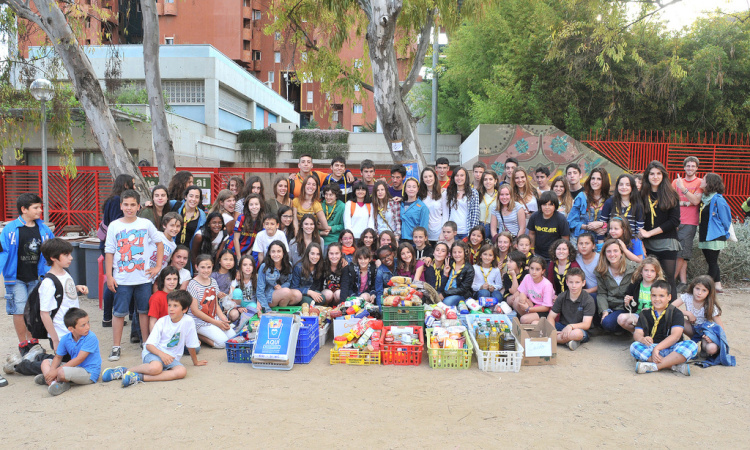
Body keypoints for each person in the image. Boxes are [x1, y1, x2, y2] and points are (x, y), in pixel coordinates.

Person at [104, 190, 164, 361]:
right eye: (126, 204)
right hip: (122, 278)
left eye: (132, 205)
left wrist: (157, 266)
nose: (129, 208)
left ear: (138, 206)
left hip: (143, 278)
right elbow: (109, 252)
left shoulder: (145, 224)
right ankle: (116, 346)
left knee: (144, 311)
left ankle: (146, 343)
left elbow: (159, 243)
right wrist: (109, 275)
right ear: (121, 205)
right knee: (119, 313)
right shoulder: (115, 225)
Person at [103, 290, 207, 388]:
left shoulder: (188, 321)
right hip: (154, 353)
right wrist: (163, 355)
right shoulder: (162, 322)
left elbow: (191, 344)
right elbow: (149, 345)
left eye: (175, 306)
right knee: (156, 368)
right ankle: (124, 371)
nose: (171, 309)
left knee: (182, 371)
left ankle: (137, 377)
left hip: (171, 359)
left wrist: (195, 362)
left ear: (185, 309)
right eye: (169, 305)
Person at [0, 192, 55, 353]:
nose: (39, 211)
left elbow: (52, 249)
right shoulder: (10, 229)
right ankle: (23, 344)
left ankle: (33, 342)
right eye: (36, 207)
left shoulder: (43, 229)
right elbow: (3, 252)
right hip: (15, 278)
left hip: (36, 278)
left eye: (40, 207)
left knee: (34, 310)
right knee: (19, 309)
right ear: (24, 209)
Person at [630, 280, 697, 376]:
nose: (657, 299)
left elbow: (676, 336)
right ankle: (673, 366)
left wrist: (657, 348)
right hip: (652, 347)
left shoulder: (676, 313)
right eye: (654, 295)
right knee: (634, 346)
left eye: (661, 296)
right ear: (650, 296)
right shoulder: (645, 313)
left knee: (691, 345)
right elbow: (637, 333)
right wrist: (642, 339)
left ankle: (655, 366)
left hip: (672, 348)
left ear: (669, 297)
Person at [639, 160, 681, 300]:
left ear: (663, 175)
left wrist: (649, 233)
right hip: (647, 245)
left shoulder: (671, 194)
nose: (655, 177)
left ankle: (671, 315)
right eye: (652, 174)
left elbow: (674, 221)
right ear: (647, 176)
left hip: (667, 243)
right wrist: (641, 241)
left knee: (668, 281)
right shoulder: (641, 195)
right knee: (649, 280)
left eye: (658, 173)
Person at [35, 308, 101, 396]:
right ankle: (53, 383)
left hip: (89, 373)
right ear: (71, 329)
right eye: (83, 325)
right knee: (45, 362)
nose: (88, 327)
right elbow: (58, 357)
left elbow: (79, 359)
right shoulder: (66, 338)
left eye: (88, 322)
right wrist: (52, 371)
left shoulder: (91, 337)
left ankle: (51, 379)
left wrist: (55, 371)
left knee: (61, 372)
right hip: (74, 368)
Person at [98, 174, 135, 329]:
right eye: (132, 183)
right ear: (125, 185)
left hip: (112, 245)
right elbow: (115, 225)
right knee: (111, 281)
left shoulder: (112, 199)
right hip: (114, 247)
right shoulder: (116, 201)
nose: (134, 186)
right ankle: (107, 317)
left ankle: (114, 316)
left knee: (113, 280)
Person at [38, 239, 88, 351]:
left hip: (73, 332)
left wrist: (76, 288)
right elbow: (44, 313)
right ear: (53, 257)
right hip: (61, 336)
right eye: (66, 255)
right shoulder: (48, 283)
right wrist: (55, 340)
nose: (71, 258)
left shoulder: (66, 272)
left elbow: (63, 290)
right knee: (67, 366)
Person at [673, 275, 734, 366]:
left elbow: (720, 328)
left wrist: (712, 337)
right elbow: (670, 308)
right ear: (693, 287)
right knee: (675, 317)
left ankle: (704, 347)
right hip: (692, 328)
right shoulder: (687, 296)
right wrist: (688, 313)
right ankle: (678, 342)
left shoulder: (710, 305)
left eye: (704, 290)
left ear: (709, 292)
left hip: (706, 332)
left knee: (711, 348)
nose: (699, 293)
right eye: (697, 288)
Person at [186, 254, 233, 348]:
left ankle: (214, 330)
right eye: (202, 267)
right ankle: (199, 335)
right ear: (196, 267)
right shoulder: (192, 284)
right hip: (198, 321)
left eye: (209, 267)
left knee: (232, 337)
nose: (206, 270)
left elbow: (215, 304)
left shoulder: (213, 281)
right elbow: (195, 311)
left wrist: (223, 319)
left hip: (213, 317)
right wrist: (216, 323)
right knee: (223, 343)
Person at [672, 156, 703, 292]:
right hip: (675, 221)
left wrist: (683, 189)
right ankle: (683, 282)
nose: (690, 168)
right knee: (680, 253)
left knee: (681, 253)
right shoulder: (675, 182)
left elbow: (696, 201)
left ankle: (671, 281)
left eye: (693, 166)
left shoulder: (700, 182)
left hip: (690, 222)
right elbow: (671, 201)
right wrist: (685, 202)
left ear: (697, 168)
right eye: (688, 166)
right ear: (684, 167)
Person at [698, 173, 731, 293]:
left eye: (704, 179)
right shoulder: (704, 198)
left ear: (709, 183)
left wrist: (723, 232)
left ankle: (706, 287)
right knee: (712, 261)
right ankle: (717, 286)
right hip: (705, 234)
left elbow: (726, 219)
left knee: (712, 262)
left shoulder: (718, 199)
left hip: (715, 235)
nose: (701, 181)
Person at [548, 268, 595, 351]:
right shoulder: (562, 296)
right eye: (571, 282)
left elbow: (586, 324)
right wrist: (553, 331)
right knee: (538, 324)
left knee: (577, 334)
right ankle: (566, 341)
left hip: (580, 329)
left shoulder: (588, 300)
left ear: (583, 283)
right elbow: (551, 317)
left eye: (577, 282)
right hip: (563, 325)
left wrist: (571, 326)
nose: (574, 286)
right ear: (567, 282)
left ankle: (550, 339)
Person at [596, 239, 637, 333]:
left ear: (621, 253)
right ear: (604, 254)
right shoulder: (601, 270)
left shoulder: (633, 268)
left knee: (608, 323)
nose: (612, 254)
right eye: (608, 251)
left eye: (615, 251)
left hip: (627, 306)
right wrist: (604, 310)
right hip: (611, 305)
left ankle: (626, 329)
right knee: (592, 298)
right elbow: (602, 293)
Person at [618, 257, 664, 333]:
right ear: (641, 272)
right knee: (621, 318)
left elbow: (665, 306)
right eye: (646, 270)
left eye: (652, 271)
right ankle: (638, 334)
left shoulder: (660, 287)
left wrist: (651, 311)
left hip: (655, 317)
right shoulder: (635, 285)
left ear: (656, 273)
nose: (649, 274)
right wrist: (627, 303)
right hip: (638, 316)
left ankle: (651, 334)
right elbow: (629, 309)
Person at [568, 167, 610, 246]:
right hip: (580, 242)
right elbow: (570, 222)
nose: (595, 182)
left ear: (604, 181)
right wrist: (587, 227)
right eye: (593, 178)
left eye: (599, 179)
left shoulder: (609, 200)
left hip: (601, 242)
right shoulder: (582, 197)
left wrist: (603, 225)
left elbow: (615, 223)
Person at [256, 241, 301, 311]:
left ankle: (281, 307)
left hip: (282, 293)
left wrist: (281, 288)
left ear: (283, 253)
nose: (276, 254)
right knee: (286, 291)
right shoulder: (264, 266)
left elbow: (288, 282)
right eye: (273, 252)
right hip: (268, 297)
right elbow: (260, 290)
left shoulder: (288, 265)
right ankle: (281, 311)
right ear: (269, 253)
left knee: (298, 295)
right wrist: (266, 309)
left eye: (279, 251)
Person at [526, 191, 570, 262]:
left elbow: (565, 239)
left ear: (555, 206)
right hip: (538, 254)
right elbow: (532, 233)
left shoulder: (561, 219)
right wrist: (532, 250)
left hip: (554, 255)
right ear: (540, 205)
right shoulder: (535, 216)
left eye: (550, 205)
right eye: (544, 204)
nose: (547, 207)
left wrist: (560, 255)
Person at [511, 256, 555, 324]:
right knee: (517, 301)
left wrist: (528, 309)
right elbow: (522, 291)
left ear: (543, 271)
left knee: (524, 319)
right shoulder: (527, 277)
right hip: (532, 304)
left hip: (543, 311)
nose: (534, 272)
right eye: (532, 268)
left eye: (537, 269)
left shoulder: (547, 285)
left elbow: (546, 307)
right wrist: (522, 297)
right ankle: (527, 320)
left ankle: (527, 321)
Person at [598, 173, 644, 238]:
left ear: (632, 187)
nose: (624, 187)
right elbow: (602, 226)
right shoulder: (609, 202)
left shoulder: (637, 204)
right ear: (617, 186)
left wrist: (636, 244)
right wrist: (601, 245)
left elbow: (639, 229)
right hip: (612, 243)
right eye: (621, 184)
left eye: (627, 185)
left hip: (631, 243)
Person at [442, 167, 480, 239]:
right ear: (453, 177)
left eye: (462, 175)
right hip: (451, 231)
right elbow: (446, 212)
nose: (459, 178)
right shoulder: (448, 192)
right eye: (457, 175)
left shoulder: (473, 193)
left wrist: (472, 233)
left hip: (466, 231)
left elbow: (475, 215)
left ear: (466, 177)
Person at [229, 193, 263, 261]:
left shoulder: (262, 220)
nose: (254, 207)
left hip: (249, 252)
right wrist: (239, 257)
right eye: (251, 204)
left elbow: (257, 241)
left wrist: (248, 254)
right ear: (247, 206)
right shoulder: (241, 218)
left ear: (260, 205)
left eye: (256, 204)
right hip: (234, 250)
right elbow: (236, 239)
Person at [440, 241, 475, 307]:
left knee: (446, 302)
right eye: (454, 252)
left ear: (465, 252)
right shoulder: (449, 263)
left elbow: (463, 289)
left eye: (460, 252)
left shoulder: (469, 268)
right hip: (445, 291)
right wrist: (445, 273)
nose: (457, 255)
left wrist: (445, 294)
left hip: (459, 294)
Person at [225, 255, 257, 322]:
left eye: (250, 265)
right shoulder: (237, 279)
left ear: (253, 267)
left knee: (253, 306)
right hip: (238, 304)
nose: (248, 267)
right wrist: (238, 307)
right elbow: (230, 294)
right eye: (245, 265)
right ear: (240, 267)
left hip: (251, 304)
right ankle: (242, 314)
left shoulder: (256, 278)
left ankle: (243, 317)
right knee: (237, 291)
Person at [418, 167, 446, 244]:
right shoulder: (420, 195)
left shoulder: (443, 193)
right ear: (422, 179)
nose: (428, 179)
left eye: (430, 176)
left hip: (439, 232)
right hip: (425, 233)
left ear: (434, 177)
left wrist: (443, 232)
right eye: (425, 177)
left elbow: (445, 215)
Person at [174, 185, 207, 251]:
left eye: (197, 197)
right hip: (172, 248)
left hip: (188, 252)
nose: (193, 199)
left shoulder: (202, 215)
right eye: (191, 196)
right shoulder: (175, 205)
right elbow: (161, 204)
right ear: (186, 197)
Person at [148, 266, 180, 331]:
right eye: (168, 279)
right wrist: (154, 339)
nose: (172, 282)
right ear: (163, 280)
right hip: (162, 331)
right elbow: (152, 321)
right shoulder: (156, 297)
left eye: (175, 279)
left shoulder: (178, 295)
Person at [400, 177, 429, 243]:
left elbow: (424, 227)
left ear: (417, 189)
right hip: (401, 239)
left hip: (415, 241)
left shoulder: (422, 207)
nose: (411, 189)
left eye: (414, 187)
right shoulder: (401, 204)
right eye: (409, 187)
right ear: (405, 189)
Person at [575, 232, 600, 301]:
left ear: (593, 246)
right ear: (577, 246)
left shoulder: (600, 259)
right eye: (581, 244)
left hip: (600, 294)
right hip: (582, 293)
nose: (583, 246)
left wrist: (589, 291)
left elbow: (605, 283)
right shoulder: (576, 258)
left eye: (587, 243)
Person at [478, 171, 499, 237]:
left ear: (495, 181)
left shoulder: (500, 195)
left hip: (496, 226)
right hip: (481, 225)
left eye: (490, 179)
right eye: (485, 179)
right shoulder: (478, 194)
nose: (488, 182)